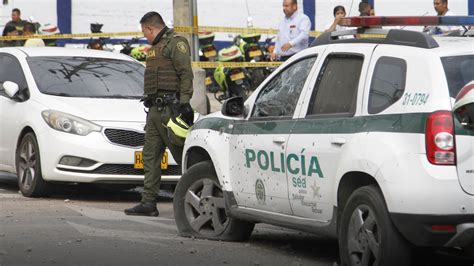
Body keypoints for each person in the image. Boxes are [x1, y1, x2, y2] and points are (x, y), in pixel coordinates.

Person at [124, 11, 194, 217]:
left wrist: (185, 104)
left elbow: (186, 74)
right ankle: (148, 202)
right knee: (150, 157)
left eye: (145, 32)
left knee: (183, 156)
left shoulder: (176, 43)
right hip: (154, 111)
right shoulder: (155, 48)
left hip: (171, 111)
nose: (145, 36)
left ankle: (196, 196)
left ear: (150, 28)